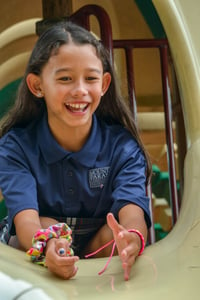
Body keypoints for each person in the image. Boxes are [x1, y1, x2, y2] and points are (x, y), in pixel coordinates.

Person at [0, 21, 152, 281]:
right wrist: (48, 247)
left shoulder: (122, 146)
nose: (80, 90)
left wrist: (132, 238)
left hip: (97, 247)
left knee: (116, 232)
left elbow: (133, 209)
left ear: (104, 84)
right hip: (36, 246)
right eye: (65, 78)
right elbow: (26, 221)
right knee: (50, 227)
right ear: (37, 86)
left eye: (90, 78)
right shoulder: (16, 147)